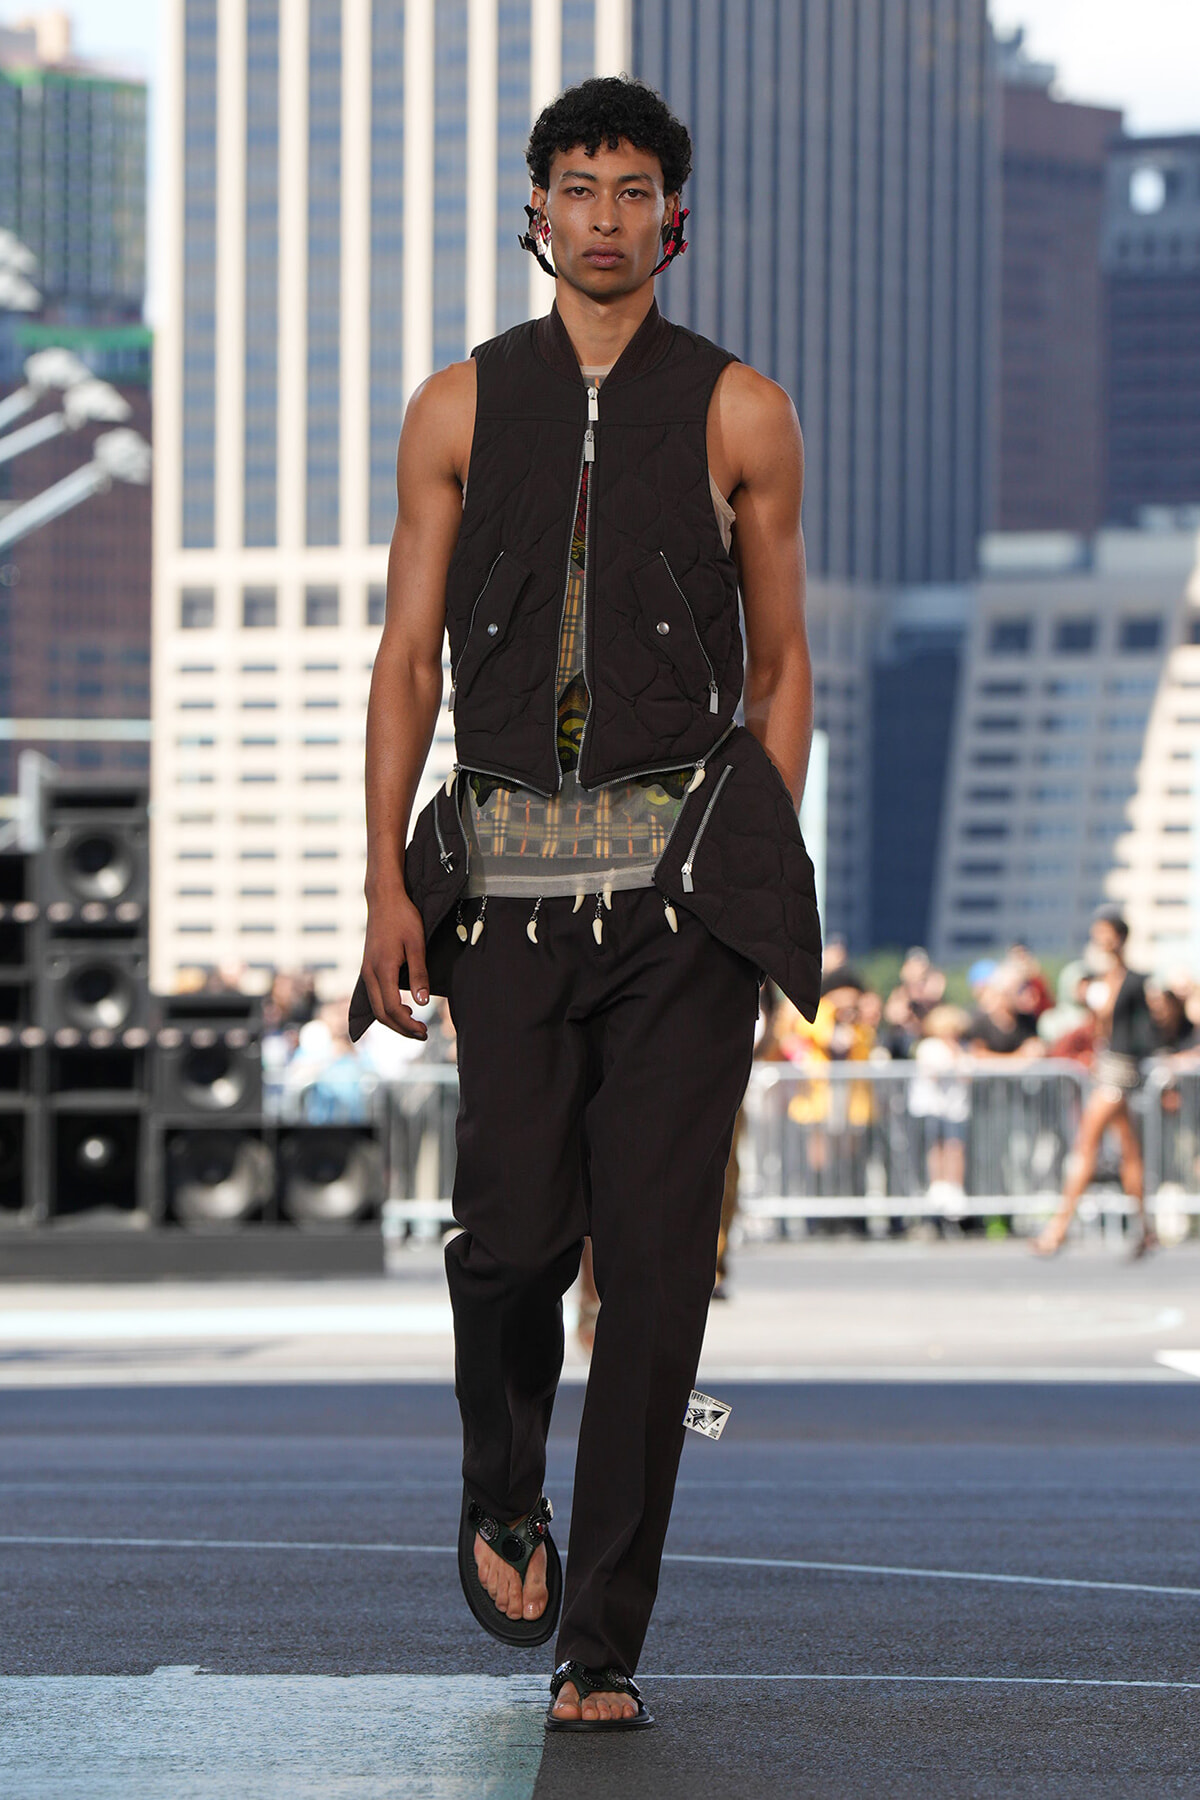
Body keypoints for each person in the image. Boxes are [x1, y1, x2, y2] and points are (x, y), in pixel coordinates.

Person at [347, 76, 821, 1732]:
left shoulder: (742, 409)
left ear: (672, 222)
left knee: (658, 1270)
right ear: (534, 211)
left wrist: (745, 876)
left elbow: (781, 668)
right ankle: (502, 1487)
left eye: (636, 190)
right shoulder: (458, 406)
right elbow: (405, 657)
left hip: (678, 910)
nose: (607, 215)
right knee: (512, 1241)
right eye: (580, 186)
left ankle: (601, 1635)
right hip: (504, 904)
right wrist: (379, 885)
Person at [1031, 906, 1159, 1258]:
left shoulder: (1134, 981)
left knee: (1086, 1142)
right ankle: (1146, 1230)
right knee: (1129, 1152)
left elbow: (1144, 1031)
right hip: (1104, 1065)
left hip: (1120, 1069)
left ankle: (1057, 1229)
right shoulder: (1100, 979)